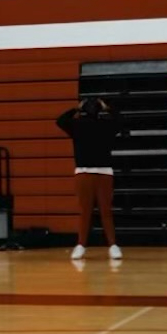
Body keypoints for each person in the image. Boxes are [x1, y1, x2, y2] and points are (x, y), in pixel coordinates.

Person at [56, 98, 125, 261]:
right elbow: (121, 120)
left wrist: (76, 109)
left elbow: (60, 120)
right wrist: (108, 108)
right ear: (100, 110)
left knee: (86, 212)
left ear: (83, 110)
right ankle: (111, 245)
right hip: (101, 172)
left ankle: (83, 245)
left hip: (88, 173)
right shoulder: (107, 125)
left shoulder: (77, 125)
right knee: (105, 211)